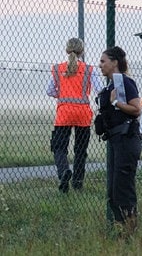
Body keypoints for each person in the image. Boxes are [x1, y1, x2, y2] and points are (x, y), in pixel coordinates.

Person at [47, 37, 102, 193]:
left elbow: (49, 91)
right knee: (80, 150)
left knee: (59, 147)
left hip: (64, 113)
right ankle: (78, 183)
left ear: (66, 50)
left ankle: (64, 172)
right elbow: (99, 89)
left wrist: (62, 94)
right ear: (82, 51)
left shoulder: (58, 69)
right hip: (83, 113)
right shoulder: (89, 70)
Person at [97, 46, 141, 237]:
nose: (100, 65)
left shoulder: (124, 82)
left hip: (126, 139)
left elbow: (137, 109)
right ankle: (121, 230)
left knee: (123, 190)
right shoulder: (111, 85)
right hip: (116, 141)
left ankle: (130, 232)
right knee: (114, 192)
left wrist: (117, 104)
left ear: (114, 62)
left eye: (103, 61)